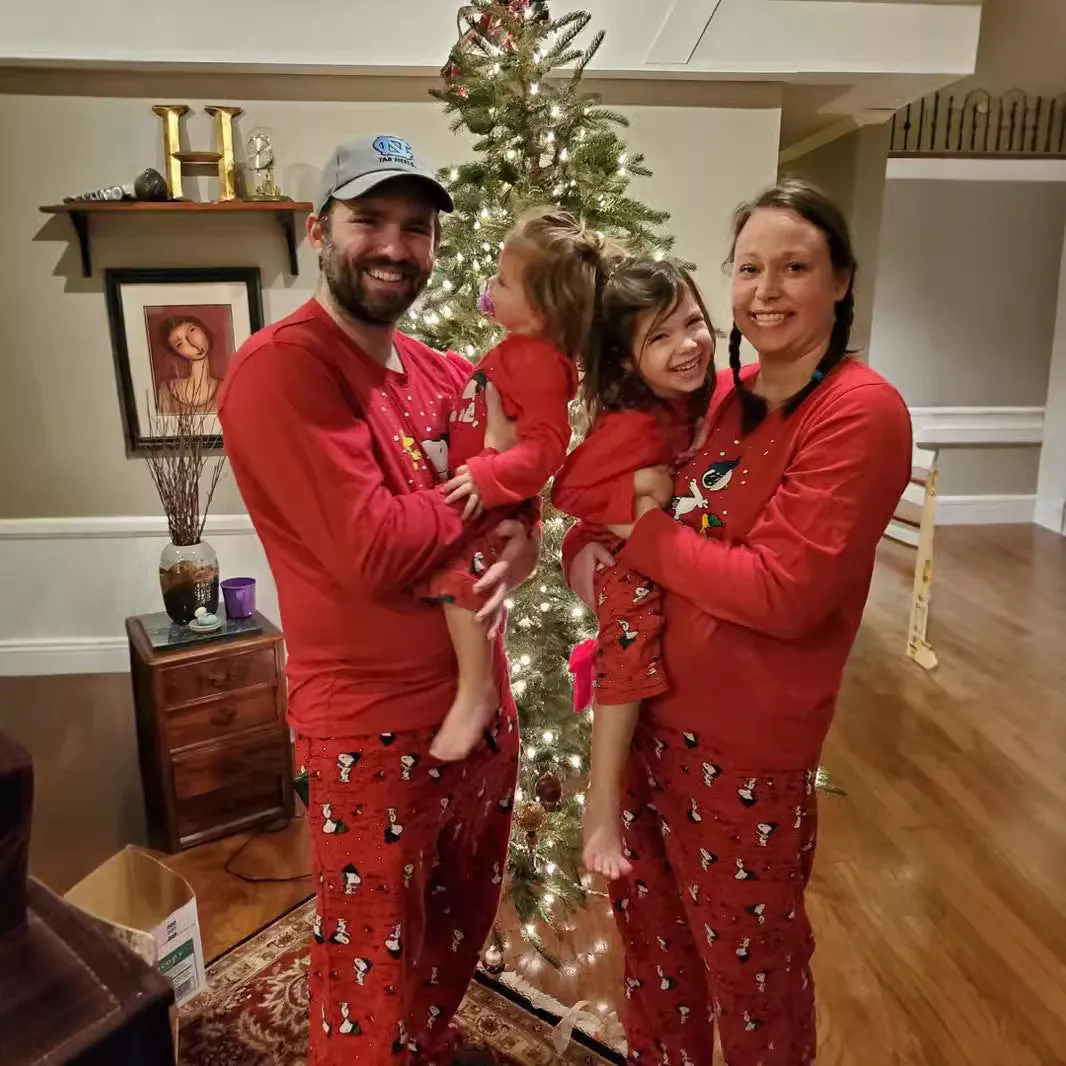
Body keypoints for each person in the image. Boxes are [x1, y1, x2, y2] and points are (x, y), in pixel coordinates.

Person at [562, 179, 912, 1066]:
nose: (765, 289)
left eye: (794, 267)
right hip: (647, 732)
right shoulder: (721, 395)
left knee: (754, 983)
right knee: (657, 964)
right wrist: (587, 559)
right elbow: (611, 494)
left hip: (743, 756)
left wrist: (643, 540)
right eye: (749, 267)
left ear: (839, 280)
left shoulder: (858, 412)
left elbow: (783, 592)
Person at [218, 135, 540, 1066]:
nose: (395, 246)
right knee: (368, 970)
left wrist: (520, 535)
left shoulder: (443, 371)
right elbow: (368, 550)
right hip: (371, 729)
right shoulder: (283, 371)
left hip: (484, 714)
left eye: (416, 227)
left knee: (453, 940)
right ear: (320, 231)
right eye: (369, 220)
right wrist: (483, 493)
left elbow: (526, 482)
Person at [420, 207, 620, 762]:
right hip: (485, 497)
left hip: (493, 502)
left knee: (463, 581)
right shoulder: (518, 350)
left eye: (502, 281)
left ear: (541, 309)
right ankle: (473, 687)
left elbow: (546, 448)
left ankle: (476, 691)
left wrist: (489, 472)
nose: (489, 287)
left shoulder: (540, 362)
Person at [550, 259, 715, 880]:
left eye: (693, 322)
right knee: (632, 622)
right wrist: (642, 496)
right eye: (661, 337)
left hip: (649, 554)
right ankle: (600, 804)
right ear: (625, 360)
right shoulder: (635, 421)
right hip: (620, 562)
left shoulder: (700, 400)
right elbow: (566, 489)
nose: (687, 345)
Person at [155, 314, 222, 414]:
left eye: (192, 330)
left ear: (204, 330)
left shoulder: (226, 388)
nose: (191, 342)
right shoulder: (167, 391)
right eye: (179, 344)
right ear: (177, 353)